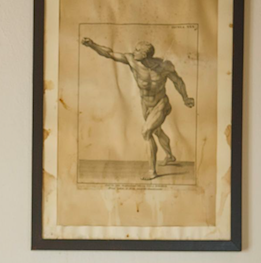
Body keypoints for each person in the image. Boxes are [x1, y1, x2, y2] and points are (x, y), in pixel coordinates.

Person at [81, 38, 195, 180]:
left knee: (146, 132)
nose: (133, 51)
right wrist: (92, 44)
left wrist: (185, 98)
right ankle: (170, 156)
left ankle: (152, 171)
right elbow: (109, 54)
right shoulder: (131, 60)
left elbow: (178, 81)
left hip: (161, 103)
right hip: (146, 104)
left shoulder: (164, 66)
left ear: (145, 54)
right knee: (157, 131)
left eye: (137, 50)